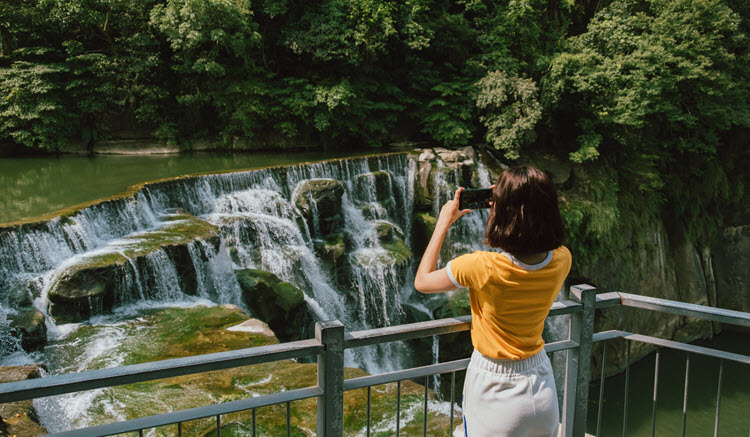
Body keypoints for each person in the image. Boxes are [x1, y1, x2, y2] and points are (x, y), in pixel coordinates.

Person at [414, 164, 571, 437]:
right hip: (541, 385)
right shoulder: (562, 259)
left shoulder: (480, 267)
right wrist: (514, 201)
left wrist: (443, 222)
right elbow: (530, 244)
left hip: (494, 388)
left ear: (503, 211)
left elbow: (422, 282)